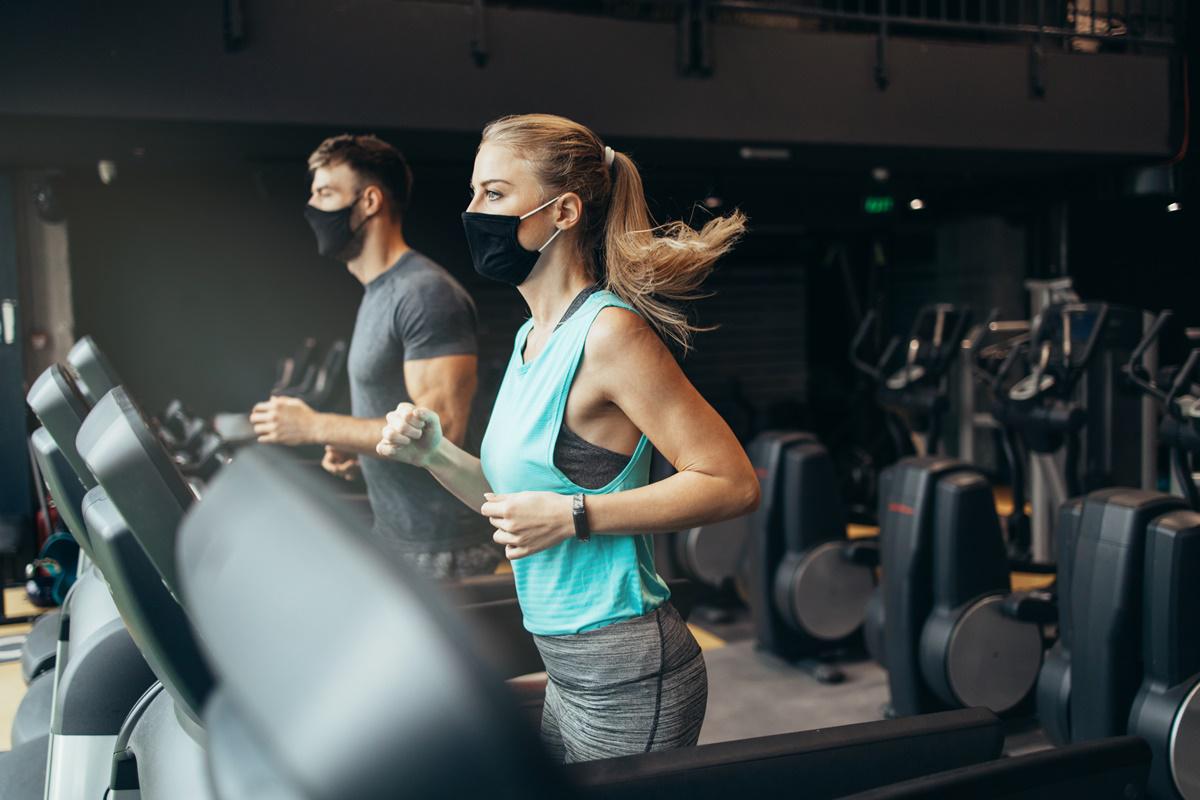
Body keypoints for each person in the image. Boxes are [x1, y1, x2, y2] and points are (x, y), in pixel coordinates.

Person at [376, 114, 759, 762]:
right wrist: (431, 452)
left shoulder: (609, 334)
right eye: (474, 194)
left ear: (564, 211)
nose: (473, 211)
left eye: (494, 194)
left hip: (631, 670)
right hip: (565, 662)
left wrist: (576, 514)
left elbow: (732, 482)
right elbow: (513, 502)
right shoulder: (531, 338)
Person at [251, 134, 497, 579]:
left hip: (443, 548)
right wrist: (355, 450)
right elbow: (398, 419)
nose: (312, 208)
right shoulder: (379, 292)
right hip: (400, 537)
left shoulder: (424, 293)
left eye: (325, 193)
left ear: (368, 201)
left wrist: (314, 426)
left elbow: (443, 431)